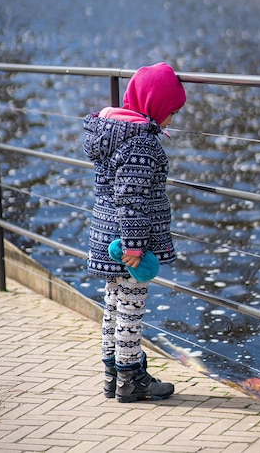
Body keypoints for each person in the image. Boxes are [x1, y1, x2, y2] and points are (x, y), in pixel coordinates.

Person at [83, 62, 186, 403]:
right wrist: (136, 246)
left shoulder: (113, 133)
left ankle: (112, 376)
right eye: (170, 112)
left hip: (106, 231)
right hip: (127, 245)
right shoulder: (141, 144)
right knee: (131, 310)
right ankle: (131, 380)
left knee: (113, 305)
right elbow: (131, 198)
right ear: (154, 106)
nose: (171, 120)